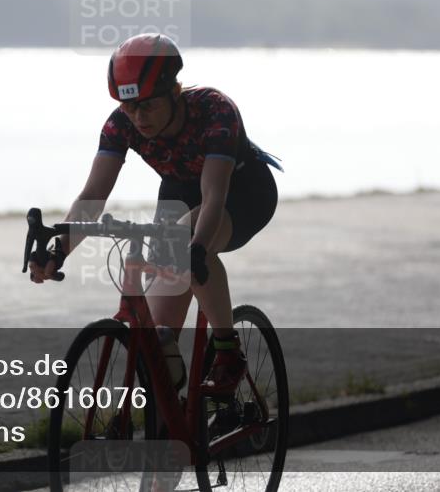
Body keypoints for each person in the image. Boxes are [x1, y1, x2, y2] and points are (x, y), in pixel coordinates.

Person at [28, 33, 280, 395]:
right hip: (179, 193)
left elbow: (212, 197)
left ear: (174, 91)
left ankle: (228, 350)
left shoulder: (215, 110)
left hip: (241, 193)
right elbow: (94, 194)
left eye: (147, 105)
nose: (138, 117)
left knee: (188, 244)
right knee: (158, 344)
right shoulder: (121, 123)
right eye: (129, 107)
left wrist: (196, 249)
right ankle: (170, 425)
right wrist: (58, 250)